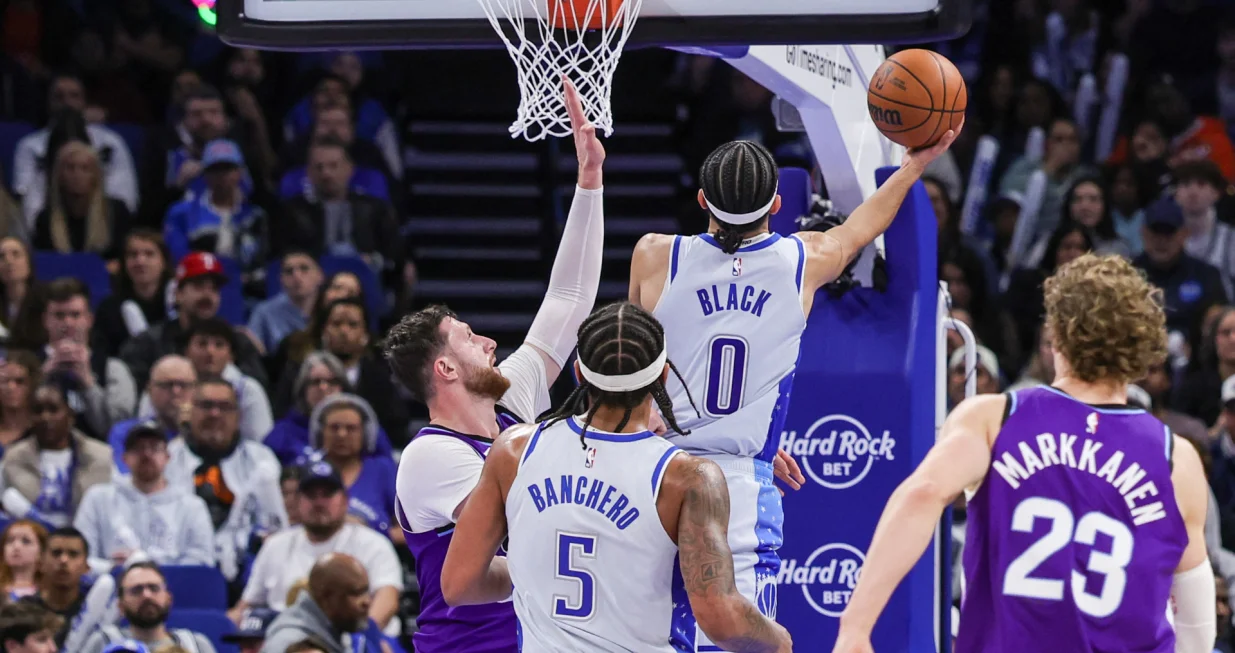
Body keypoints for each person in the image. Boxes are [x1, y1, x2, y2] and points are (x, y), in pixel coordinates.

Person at [627, 129, 959, 648]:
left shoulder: (654, 256)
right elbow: (861, 226)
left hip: (654, 475)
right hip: (737, 486)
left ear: (701, 201)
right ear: (777, 205)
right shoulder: (800, 260)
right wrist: (915, 164)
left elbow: (635, 372)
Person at [831, 254, 1215, 653]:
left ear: (1057, 334)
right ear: (1142, 347)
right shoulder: (1175, 459)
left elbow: (921, 495)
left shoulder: (995, 418)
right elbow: (1195, 611)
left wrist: (856, 626)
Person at [382, 80, 605, 653]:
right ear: (445, 370)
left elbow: (570, 299)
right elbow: (525, 528)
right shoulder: (431, 456)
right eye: (466, 337)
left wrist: (588, 183)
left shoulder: (511, 404)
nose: (488, 341)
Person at [442, 302, 791, 652]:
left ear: (578, 374)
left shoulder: (514, 451)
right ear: (664, 376)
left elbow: (459, 585)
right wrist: (779, 641)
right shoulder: (687, 478)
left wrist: (529, 571)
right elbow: (722, 619)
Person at [80, 562, 217, 653]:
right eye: (136, 590)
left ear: (168, 599)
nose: (147, 595)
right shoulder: (103, 641)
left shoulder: (196, 644)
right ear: (120, 606)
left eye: (154, 588)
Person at [259, 553, 373, 653]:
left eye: (366, 591)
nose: (367, 602)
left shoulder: (337, 629)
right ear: (327, 598)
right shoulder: (290, 642)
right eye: (356, 593)